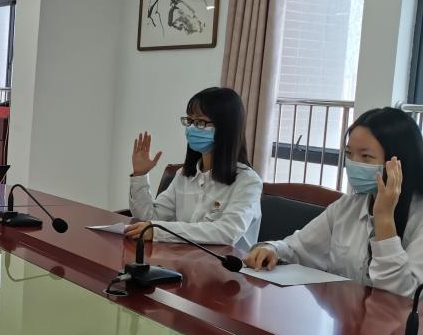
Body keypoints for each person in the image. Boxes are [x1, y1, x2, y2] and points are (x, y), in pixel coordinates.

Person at [246, 107, 423, 297]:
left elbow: (403, 296)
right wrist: (271, 250)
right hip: (342, 313)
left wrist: (385, 219)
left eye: (366, 156)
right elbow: (297, 249)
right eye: (349, 154)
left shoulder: (418, 218)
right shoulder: (347, 206)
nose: (353, 163)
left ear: (399, 163)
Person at [126, 87, 263, 254]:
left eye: (200, 122)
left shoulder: (248, 181)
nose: (191, 129)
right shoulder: (184, 175)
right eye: (190, 121)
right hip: (184, 260)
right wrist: (140, 175)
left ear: (226, 128)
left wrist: (159, 231)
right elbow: (150, 219)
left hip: (226, 266)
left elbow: (227, 232)